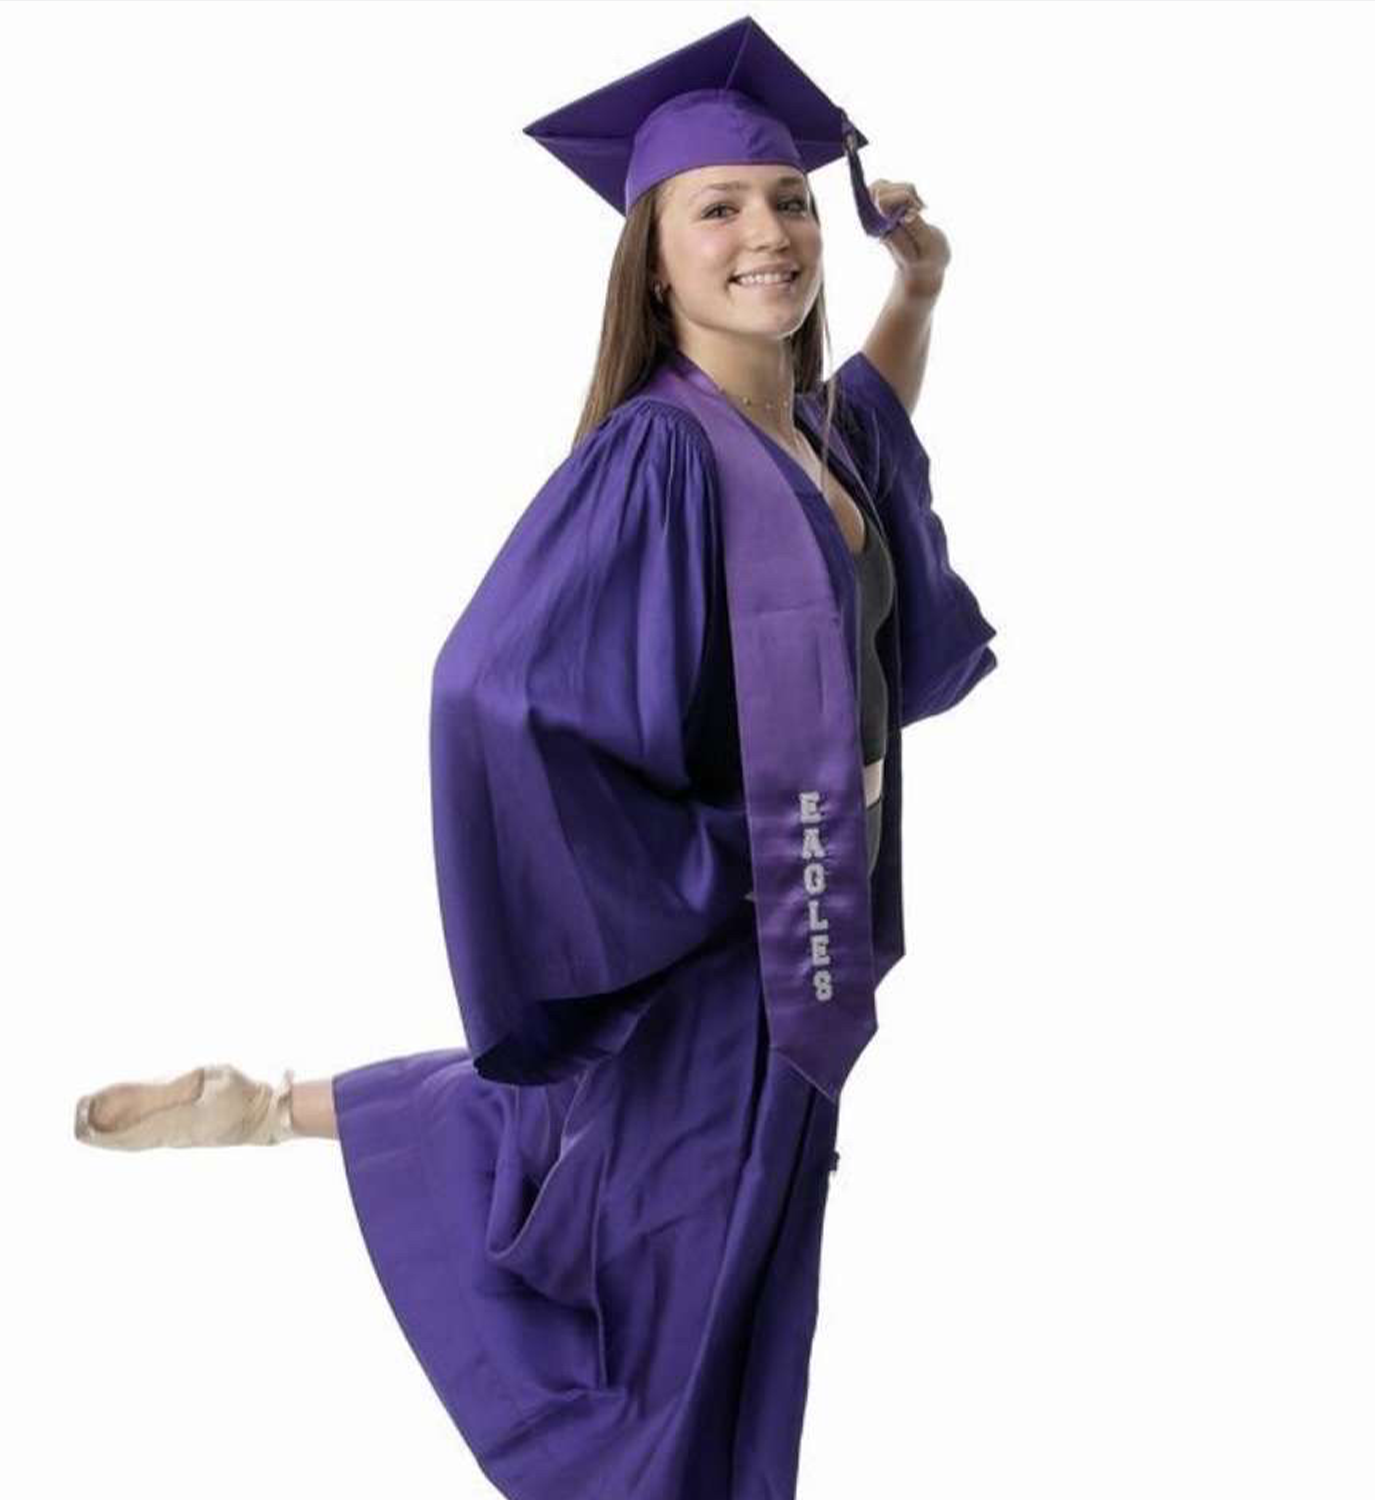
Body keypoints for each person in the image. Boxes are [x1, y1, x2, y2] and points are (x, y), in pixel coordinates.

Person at [73, 16, 997, 1499]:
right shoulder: (657, 457)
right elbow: (489, 690)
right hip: (737, 939)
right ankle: (290, 1128)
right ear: (653, 256)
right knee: (669, 1312)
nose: (767, 232)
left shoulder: (816, 447)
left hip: (797, 946)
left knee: (731, 1267)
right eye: (720, 207)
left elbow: (878, 412)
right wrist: (719, 853)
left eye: (788, 202)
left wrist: (924, 285)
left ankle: (269, 1105)